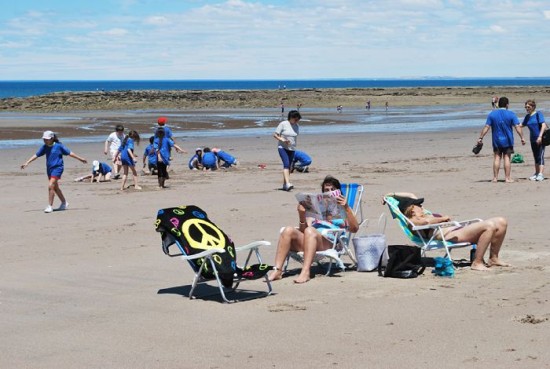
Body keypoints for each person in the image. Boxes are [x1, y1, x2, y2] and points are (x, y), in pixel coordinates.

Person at [382, 192, 511, 271]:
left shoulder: (425, 213)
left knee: (501, 221)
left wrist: (389, 195)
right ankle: (477, 262)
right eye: (418, 205)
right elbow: (426, 223)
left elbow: (410, 195)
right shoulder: (413, 222)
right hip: (453, 235)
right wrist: (442, 219)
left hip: (458, 229)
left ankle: (493, 258)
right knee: (489, 225)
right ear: (412, 210)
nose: (422, 207)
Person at [269, 175, 359, 284]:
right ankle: (277, 270)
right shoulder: (316, 208)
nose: (330, 192)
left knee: (310, 231)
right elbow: (303, 230)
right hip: (310, 240)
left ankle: (306, 271)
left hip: (330, 241)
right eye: (327, 190)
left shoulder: (345, 209)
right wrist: (302, 215)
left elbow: (354, 229)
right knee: (288, 230)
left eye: (333, 190)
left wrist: (346, 208)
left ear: (339, 192)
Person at [21, 130, 87, 213]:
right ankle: (64, 203)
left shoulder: (59, 146)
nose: (45, 140)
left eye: (47, 139)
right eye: (44, 139)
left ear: (52, 138)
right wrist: (27, 162)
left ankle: (50, 206)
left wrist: (80, 159)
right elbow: (36, 155)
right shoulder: (44, 147)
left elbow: (70, 153)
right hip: (49, 169)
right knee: (55, 187)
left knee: (50, 185)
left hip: (58, 168)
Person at [477, 96, 526, 183]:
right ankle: (507, 178)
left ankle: (495, 178)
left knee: (497, 158)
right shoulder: (511, 114)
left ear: (499, 104)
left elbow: (486, 127)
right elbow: (517, 127)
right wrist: (522, 137)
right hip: (508, 140)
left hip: (496, 140)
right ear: (507, 105)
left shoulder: (492, 114)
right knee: (507, 158)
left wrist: (481, 138)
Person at [273, 110, 301, 191]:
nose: (297, 121)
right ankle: (288, 183)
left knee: (289, 166)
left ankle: (285, 184)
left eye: (298, 120)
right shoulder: (283, 124)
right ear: (291, 118)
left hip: (292, 148)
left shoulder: (297, 126)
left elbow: (294, 137)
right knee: (286, 164)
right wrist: (283, 140)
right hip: (282, 147)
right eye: (295, 119)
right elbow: (275, 135)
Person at [520, 99, 547, 181]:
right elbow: (521, 125)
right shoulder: (527, 117)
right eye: (526, 107)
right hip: (532, 139)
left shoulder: (538, 114)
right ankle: (536, 173)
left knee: (540, 156)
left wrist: (540, 136)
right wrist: (512, 124)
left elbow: (543, 125)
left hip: (540, 138)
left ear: (533, 107)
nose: (527, 109)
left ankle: (541, 174)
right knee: (535, 156)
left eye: (528, 107)